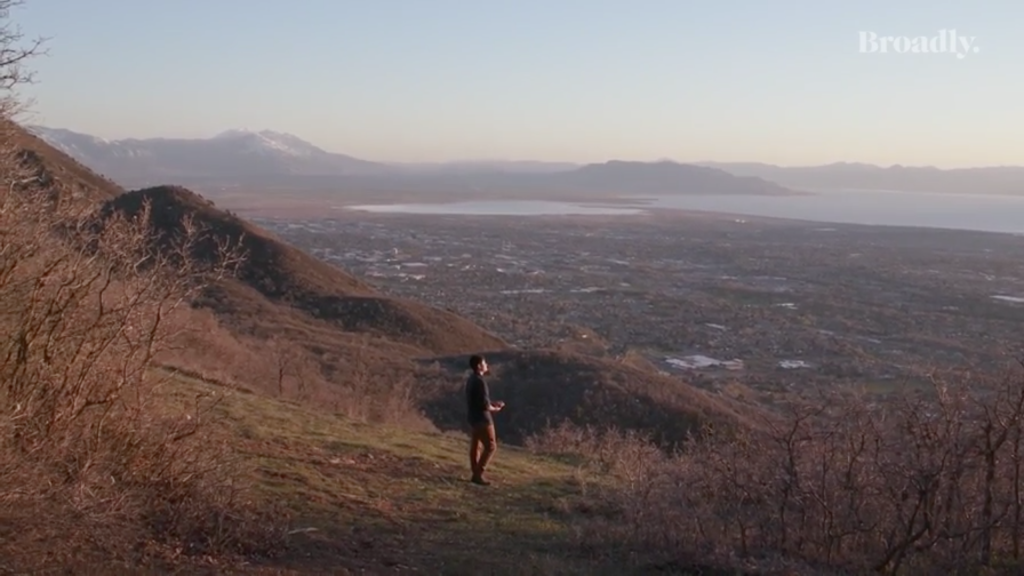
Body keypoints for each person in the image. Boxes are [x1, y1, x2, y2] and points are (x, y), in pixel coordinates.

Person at [465, 354, 504, 485]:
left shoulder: (471, 379)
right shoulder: (480, 382)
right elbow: (485, 405)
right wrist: (495, 408)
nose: (486, 365)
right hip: (483, 419)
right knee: (491, 446)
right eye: (484, 363)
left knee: (476, 445)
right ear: (479, 366)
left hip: (472, 417)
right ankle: (478, 474)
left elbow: (479, 401)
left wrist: (492, 404)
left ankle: (475, 471)